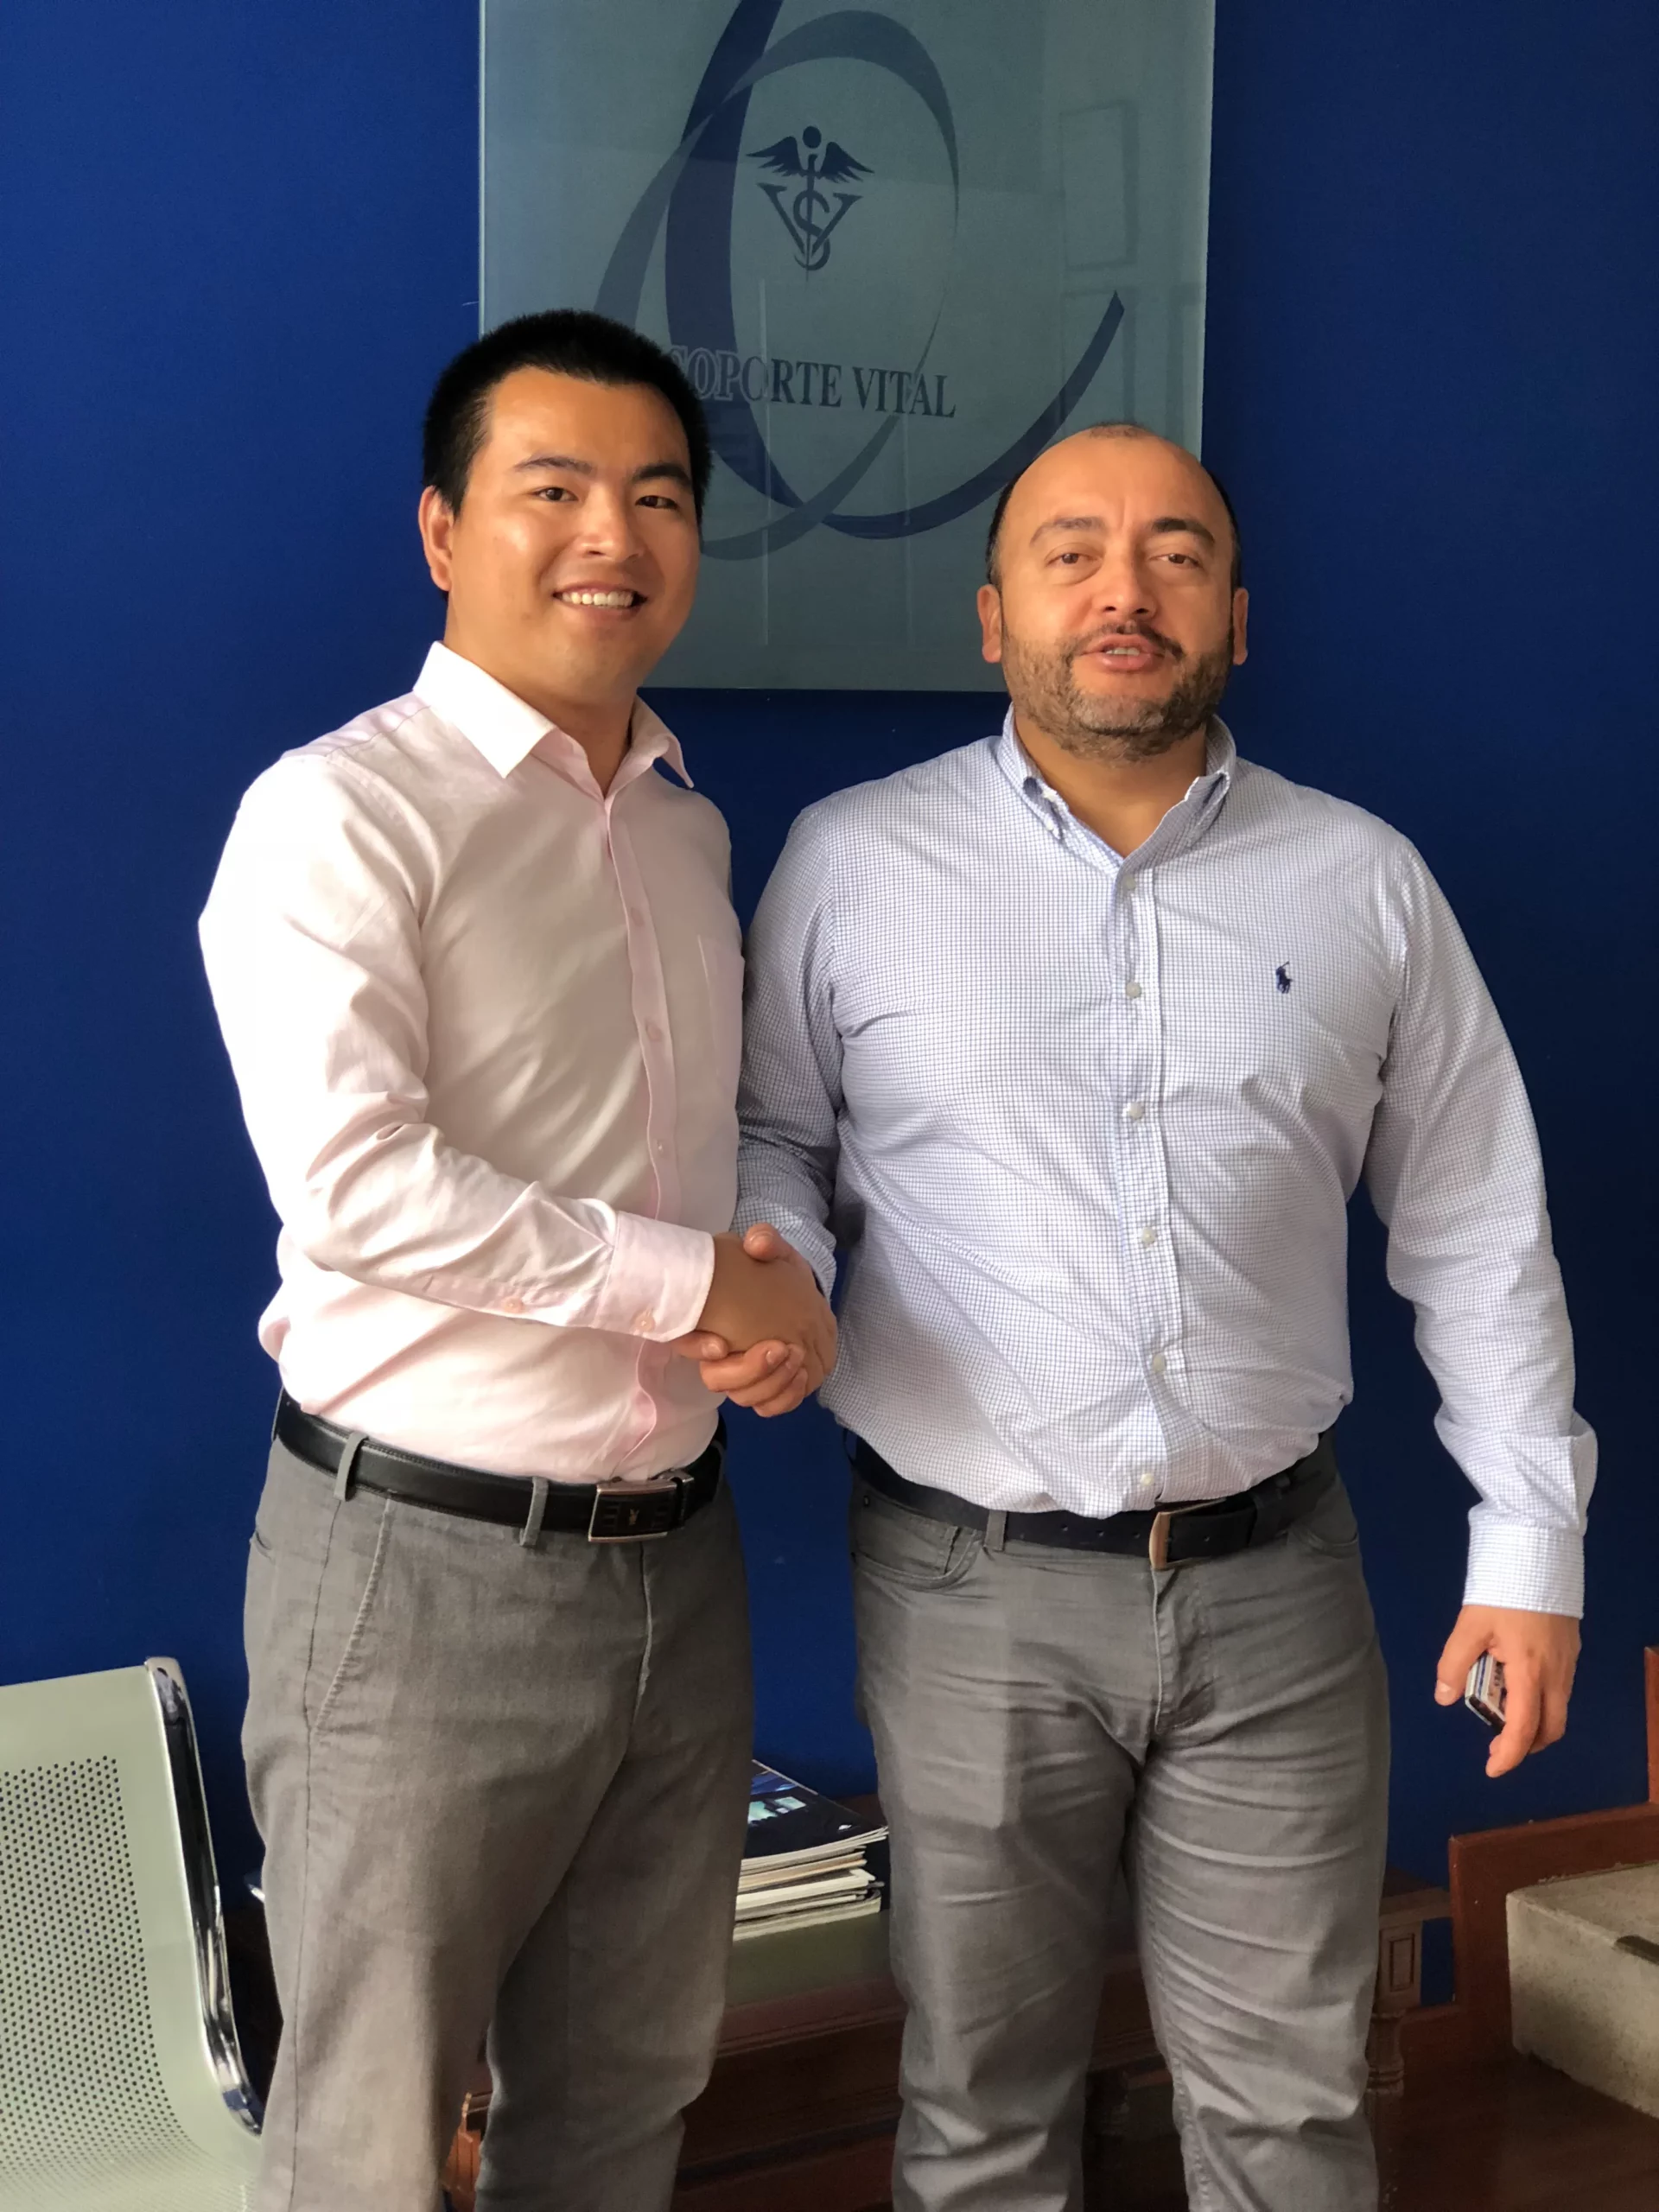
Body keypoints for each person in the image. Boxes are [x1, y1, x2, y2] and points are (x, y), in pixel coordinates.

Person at [710, 423, 1593, 2212]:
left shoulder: (1363, 879)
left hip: (1279, 1589)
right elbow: (775, 1134)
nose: (1126, 590)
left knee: (1293, 2113)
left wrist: (1531, 1544)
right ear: (993, 615)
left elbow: (1476, 1217)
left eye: (1177, 553)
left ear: (1237, 615)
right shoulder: (853, 859)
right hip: (970, 1590)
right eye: (1072, 552)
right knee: (980, 2112)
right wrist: (781, 1256)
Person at [199, 308, 833, 2212]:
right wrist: (690, 1283)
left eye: (657, 497)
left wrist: (771, 1285)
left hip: (678, 1565)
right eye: (551, 489)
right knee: (372, 2134)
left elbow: (721, 1152)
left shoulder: (686, 830)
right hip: (419, 1569)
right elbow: (358, 1187)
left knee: (625, 2102)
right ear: (441, 531)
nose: (609, 538)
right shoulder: (339, 812)